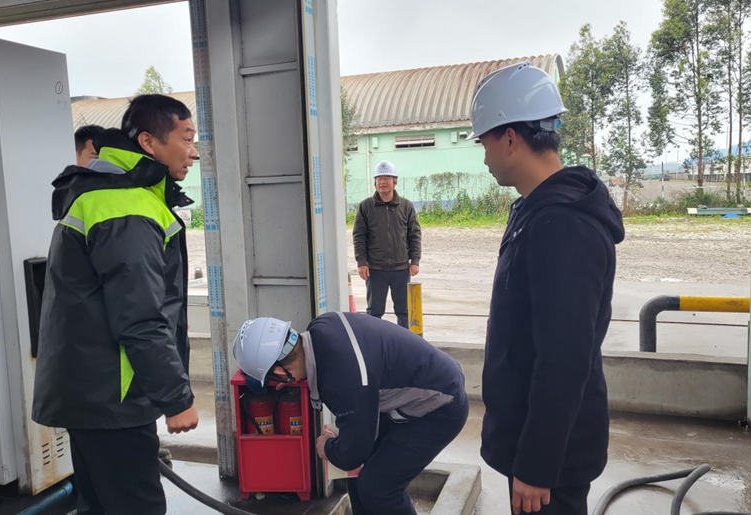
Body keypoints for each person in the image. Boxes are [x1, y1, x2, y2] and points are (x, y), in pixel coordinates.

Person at [468, 63, 624, 515]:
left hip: (551, 460)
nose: (484, 157)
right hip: (531, 442)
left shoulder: (564, 225)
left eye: (484, 142)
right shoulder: (535, 210)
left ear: (510, 138)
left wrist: (537, 465)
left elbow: (564, 358)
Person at [33, 94, 199, 514]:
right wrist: (176, 398)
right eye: (186, 138)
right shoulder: (128, 206)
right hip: (114, 397)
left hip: (92, 393)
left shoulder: (105, 196)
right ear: (148, 141)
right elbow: (140, 316)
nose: (194, 151)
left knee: (99, 506)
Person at [233, 313, 468, 515]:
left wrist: (328, 448)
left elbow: (352, 454)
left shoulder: (341, 381)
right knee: (358, 477)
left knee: (379, 487)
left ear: (278, 371)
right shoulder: (322, 328)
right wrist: (345, 443)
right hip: (419, 390)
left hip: (440, 407)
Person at [352, 160, 422, 328]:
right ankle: (375, 341)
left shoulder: (406, 206)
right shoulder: (366, 206)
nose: (382, 182)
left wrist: (415, 261)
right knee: (374, 312)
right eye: (379, 178)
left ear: (394, 181)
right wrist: (361, 262)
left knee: (404, 311)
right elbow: (359, 236)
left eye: (386, 178)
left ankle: (404, 341)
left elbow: (414, 234)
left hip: (401, 269)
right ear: (375, 182)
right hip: (375, 270)